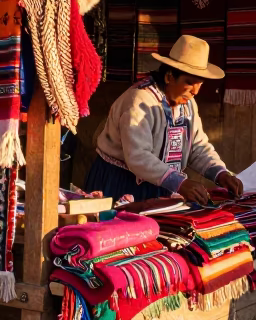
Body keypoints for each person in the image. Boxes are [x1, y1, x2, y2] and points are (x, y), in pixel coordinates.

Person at [85, 35, 243, 203]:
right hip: (121, 184)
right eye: (189, 82)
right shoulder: (139, 100)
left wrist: (221, 174)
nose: (195, 91)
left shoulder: (188, 104)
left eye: (200, 84)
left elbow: (197, 147)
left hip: (163, 185)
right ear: (169, 77)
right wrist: (180, 183)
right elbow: (138, 156)